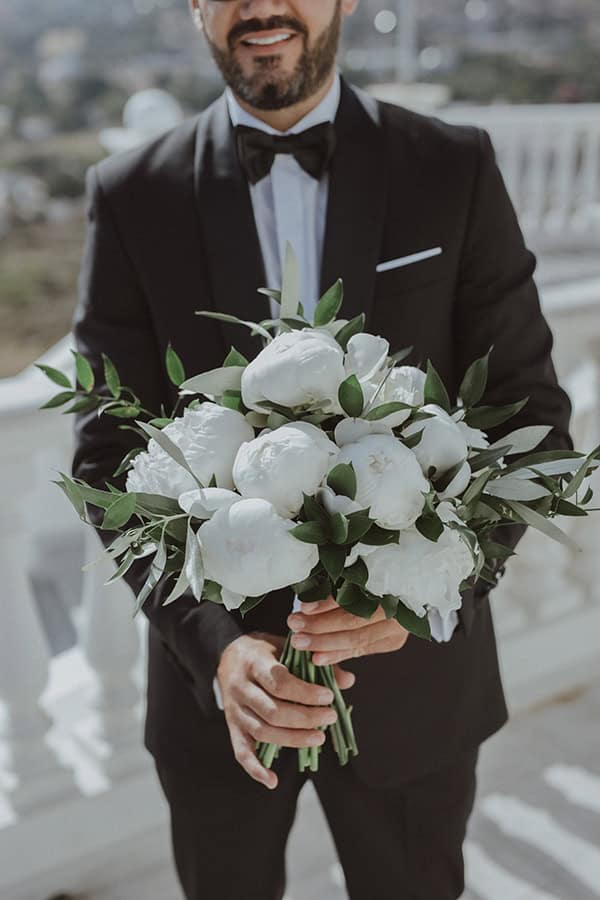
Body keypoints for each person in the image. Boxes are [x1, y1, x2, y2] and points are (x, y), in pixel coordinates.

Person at [71, 1, 573, 898]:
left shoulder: (452, 166)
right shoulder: (130, 192)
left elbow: (525, 415)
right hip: (216, 703)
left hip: (418, 690)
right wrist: (218, 650)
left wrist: (432, 584)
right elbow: (108, 451)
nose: (262, 6)